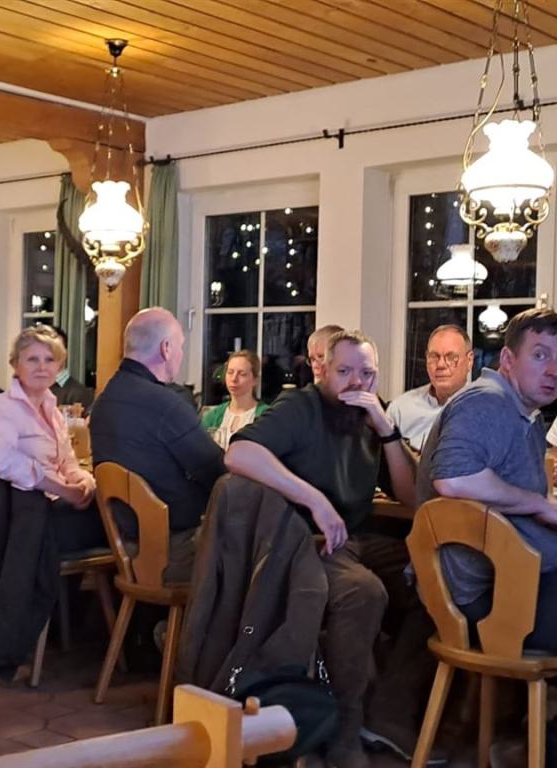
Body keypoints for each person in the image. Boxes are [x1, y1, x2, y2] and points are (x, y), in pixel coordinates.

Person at [225, 330, 417, 768]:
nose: (356, 382)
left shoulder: (371, 414)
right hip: (302, 540)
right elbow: (239, 454)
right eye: (345, 371)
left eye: (367, 373)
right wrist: (314, 499)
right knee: (363, 592)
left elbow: (411, 497)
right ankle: (345, 729)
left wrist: (386, 430)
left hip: (358, 537)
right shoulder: (300, 406)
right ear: (324, 370)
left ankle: (388, 711)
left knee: (440, 582)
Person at [419, 308, 557, 652]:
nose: (554, 371)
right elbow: (453, 478)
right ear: (508, 359)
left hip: (524, 585)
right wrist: (538, 504)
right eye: (540, 355)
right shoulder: (486, 402)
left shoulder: (525, 415)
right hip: (493, 603)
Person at [90, 307, 225, 582]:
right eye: (180, 347)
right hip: (174, 554)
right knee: (261, 548)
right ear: (165, 349)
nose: (181, 354)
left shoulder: (104, 400)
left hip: (128, 549)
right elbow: (217, 471)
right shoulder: (165, 404)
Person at [0, 326, 104, 553]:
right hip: (25, 516)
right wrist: (64, 490)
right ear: (15, 364)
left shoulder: (54, 411)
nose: (42, 367)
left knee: (114, 507)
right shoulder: (1, 407)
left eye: (50, 360)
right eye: (33, 359)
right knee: (117, 521)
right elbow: (1, 462)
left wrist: (85, 483)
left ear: (59, 366)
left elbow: (68, 463)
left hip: (56, 505)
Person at [388, 325, 473, 452]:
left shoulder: (484, 410)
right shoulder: (400, 409)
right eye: (434, 357)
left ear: (469, 360)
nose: (441, 365)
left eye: (451, 357)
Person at [201, 349, 268, 450]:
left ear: (255, 380)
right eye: (230, 372)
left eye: (242, 374)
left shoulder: (266, 416)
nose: (234, 379)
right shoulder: (213, 416)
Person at [50, 326, 94, 411]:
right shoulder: (31, 389)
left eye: (56, 348)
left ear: (65, 353)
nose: (49, 354)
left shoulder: (81, 394)